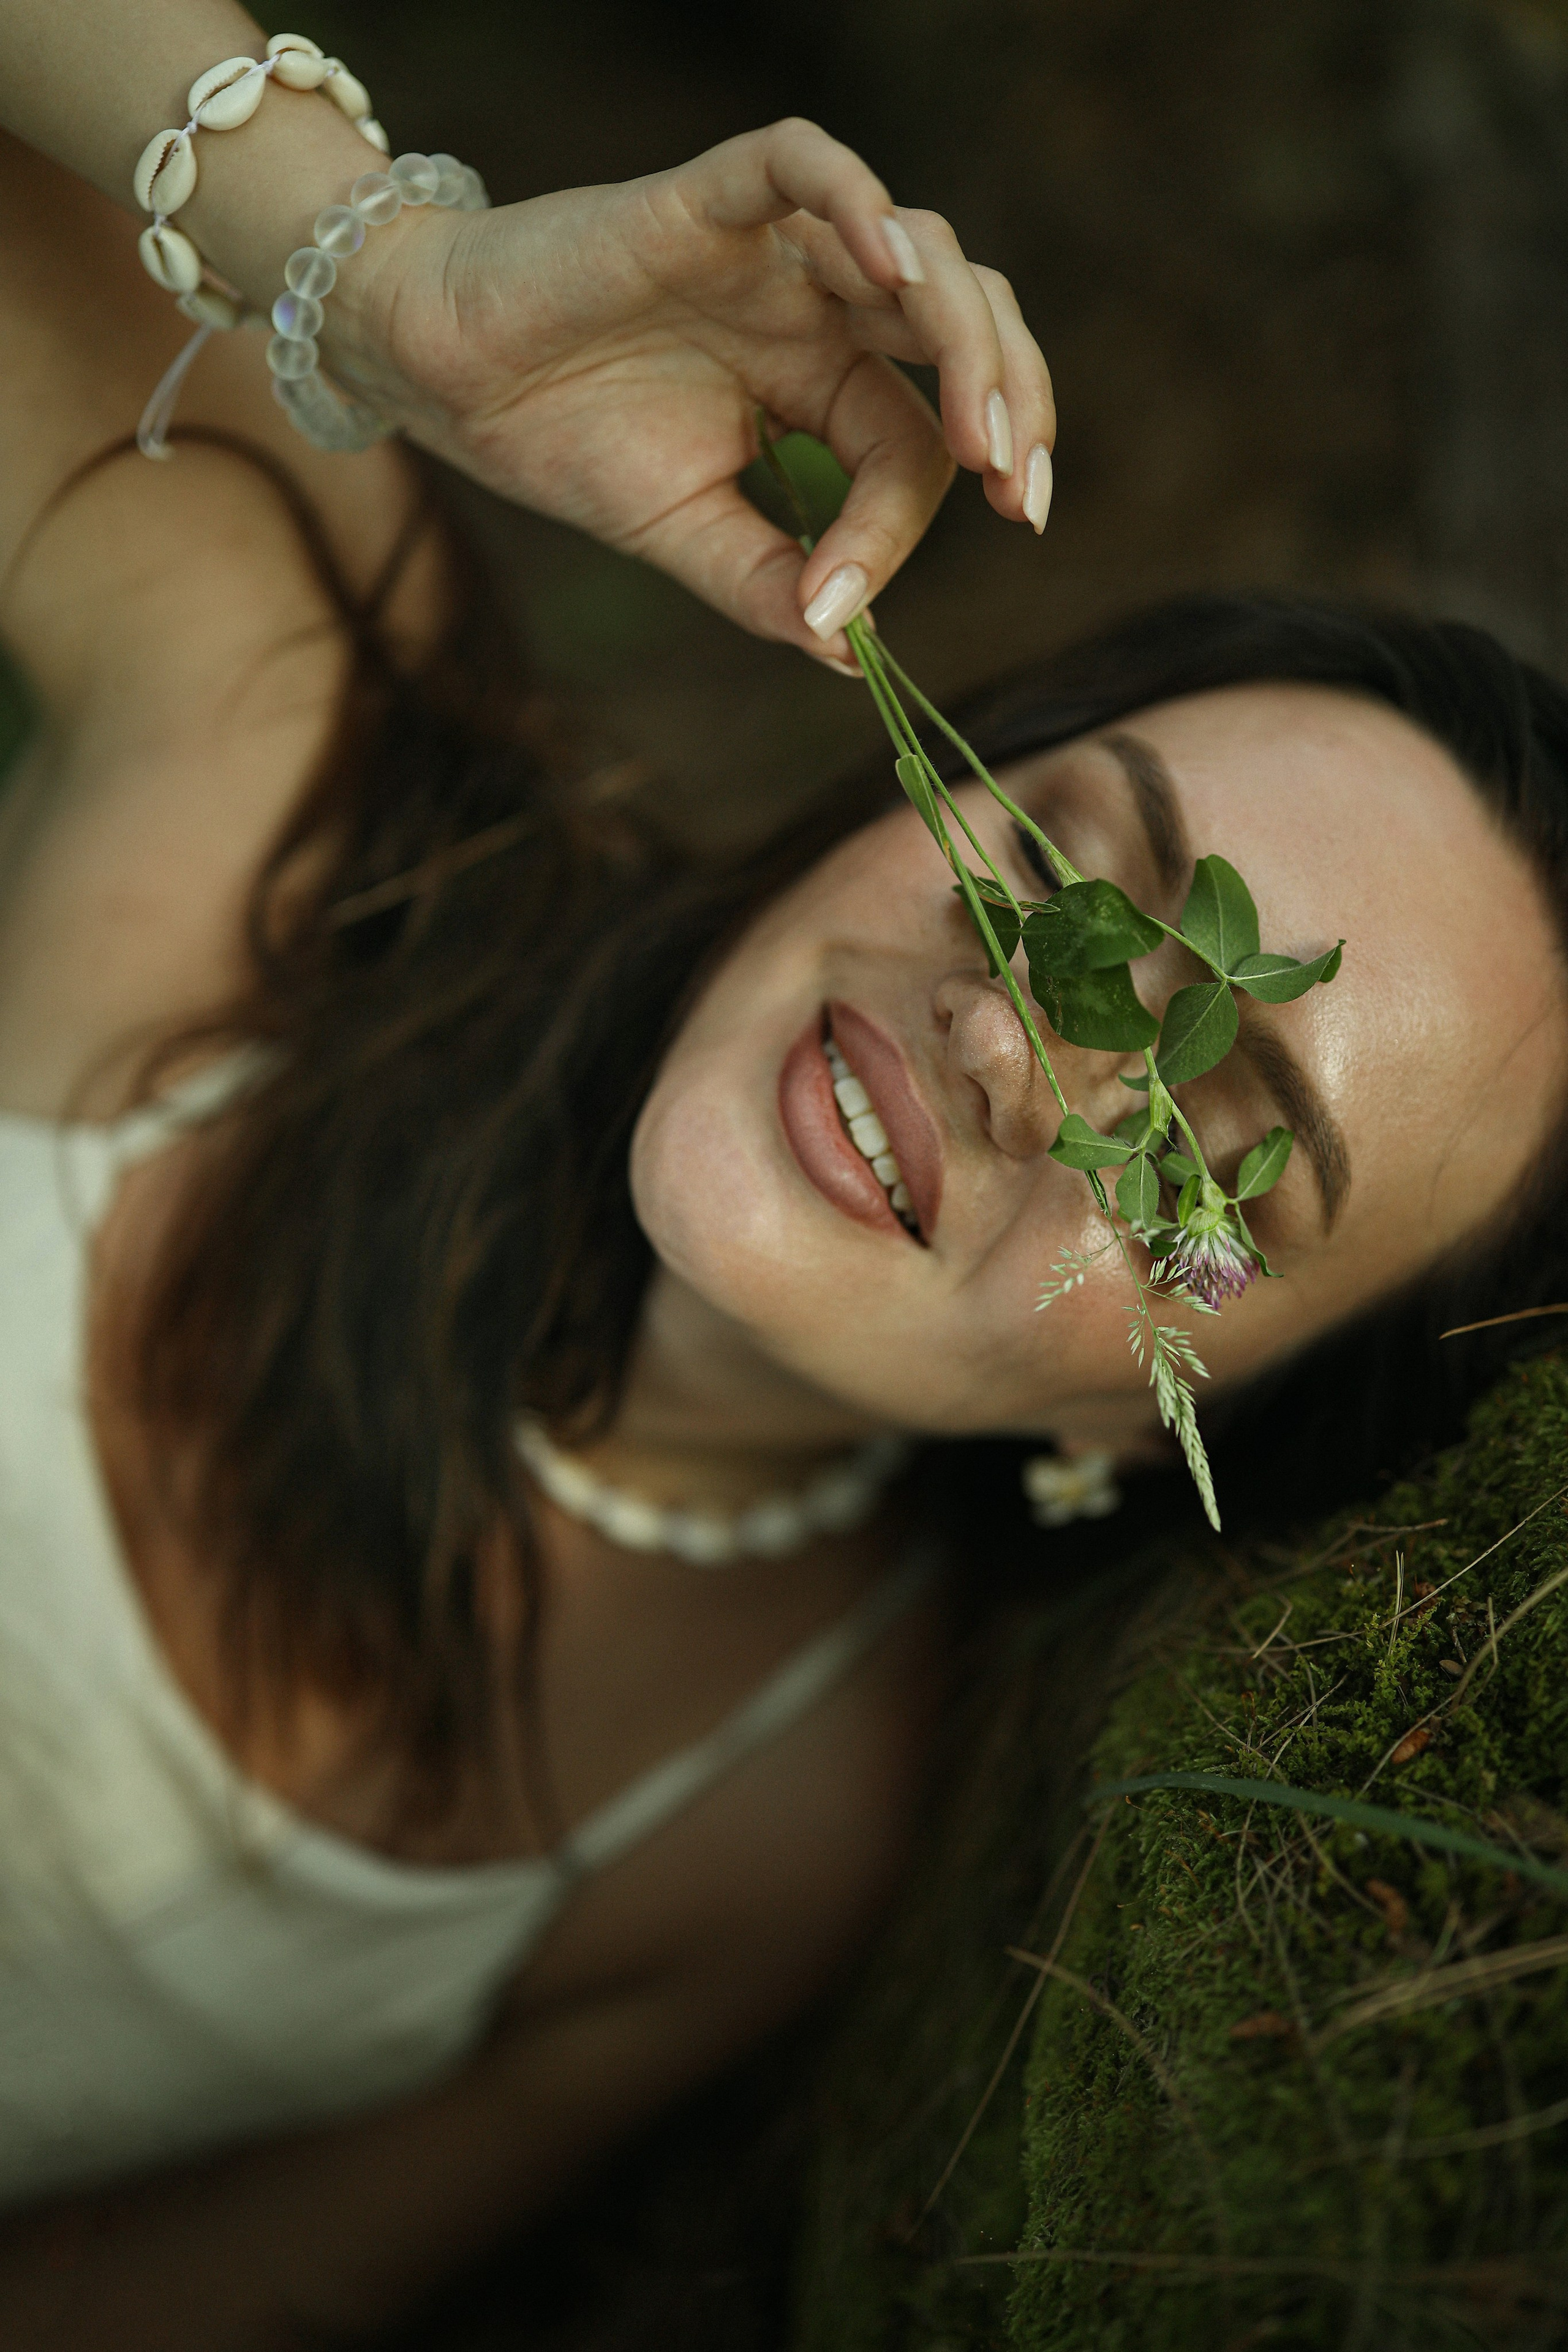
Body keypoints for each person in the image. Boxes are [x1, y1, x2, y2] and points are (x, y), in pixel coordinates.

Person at [0, 6, 1565, 2345]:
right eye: (1075, 863)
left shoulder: (759, 1839)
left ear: (1150, 1427)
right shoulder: (304, 802)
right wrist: (387, 275)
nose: (1027, 1043)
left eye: (1216, 1149)